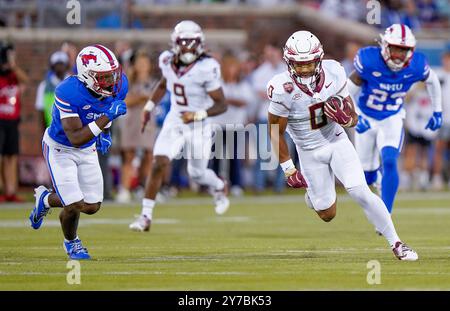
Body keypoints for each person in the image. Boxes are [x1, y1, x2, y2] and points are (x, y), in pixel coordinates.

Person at [267, 30, 418, 261]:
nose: (305, 70)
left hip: (336, 140)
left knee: (360, 191)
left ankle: (397, 243)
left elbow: (353, 117)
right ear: (289, 63)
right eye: (299, 65)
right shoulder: (281, 88)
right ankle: (313, 194)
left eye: (309, 64)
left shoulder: (335, 71)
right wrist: (288, 168)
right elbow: (274, 130)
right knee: (327, 214)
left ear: (319, 59)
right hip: (307, 151)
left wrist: (348, 118)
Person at [28, 44, 128, 259]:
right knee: (73, 204)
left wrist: (105, 133)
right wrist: (106, 120)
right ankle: (72, 243)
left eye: (112, 75)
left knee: (91, 206)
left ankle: (45, 199)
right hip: (61, 148)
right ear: (87, 76)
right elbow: (74, 138)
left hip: (87, 146)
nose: (112, 82)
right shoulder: (68, 92)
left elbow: (104, 108)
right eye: (104, 77)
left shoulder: (118, 86)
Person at [129, 20, 229, 232]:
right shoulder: (166, 60)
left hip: (199, 125)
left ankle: (219, 186)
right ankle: (146, 216)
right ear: (175, 43)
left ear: (200, 43)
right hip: (175, 120)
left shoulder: (207, 67)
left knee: (197, 174)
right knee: (159, 162)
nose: (188, 47)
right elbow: (165, 84)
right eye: (184, 42)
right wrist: (148, 106)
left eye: (192, 42)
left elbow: (222, 104)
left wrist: (197, 114)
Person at [348, 24, 442, 213]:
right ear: (385, 46)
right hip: (366, 116)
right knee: (366, 176)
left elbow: (432, 80)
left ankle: (386, 212)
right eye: (395, 49)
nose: (399, 55)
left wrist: (437, 111)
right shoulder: (369, 60)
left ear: (411, 51)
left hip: (392, 117)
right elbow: (347, 91)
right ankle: (377, 179)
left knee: (390, 160)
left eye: (404, 50)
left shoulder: (416, 65)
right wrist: (355, 115)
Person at [116, 49, 156, 203]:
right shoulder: (129, 81)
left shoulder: (153, 82)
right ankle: (124, 189)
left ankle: (142, 187)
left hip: (147, 121)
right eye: (140, 62)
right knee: (129, 155)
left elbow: (155, 100)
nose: (143, 66)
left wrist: (142, 99)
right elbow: (124, 101)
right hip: (131, 121)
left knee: (148, 154)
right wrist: (140, 98)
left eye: (145, 63)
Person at [0, 40, 28, 203]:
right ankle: (3, 189)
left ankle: (11, 191)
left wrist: (12, 64)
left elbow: (25, 80)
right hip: (0, 121)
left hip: (12, 122)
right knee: (1, 157)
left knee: (12, 156)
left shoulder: (14, 76)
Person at [35, 51, 71, 131]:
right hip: (52, 130)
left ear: (67, 66)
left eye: (62, 64)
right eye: (57, 64)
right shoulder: (44, 86)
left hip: (71, 130)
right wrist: (44, 132)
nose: (60, 67)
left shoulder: (74, 84)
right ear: (52, 66)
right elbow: (41, 110)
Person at [431, 50, 450, 190]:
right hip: (442, 120)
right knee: (439, 149)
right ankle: (437, 178)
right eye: (446, 60)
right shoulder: (437, 74)